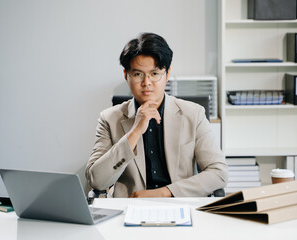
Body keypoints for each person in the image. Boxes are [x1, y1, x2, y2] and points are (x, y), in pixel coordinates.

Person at [86, 32, 228, 198]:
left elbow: (219, 172)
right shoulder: (109, 119)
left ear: (167, 74)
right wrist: (135, 131)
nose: (146, 83)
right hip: (129, 208)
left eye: (154, 74)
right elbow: (97, 180)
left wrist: (163, 193)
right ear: (126, 75)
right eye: (138, 74)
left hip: (180, 204)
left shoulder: (194, 114)